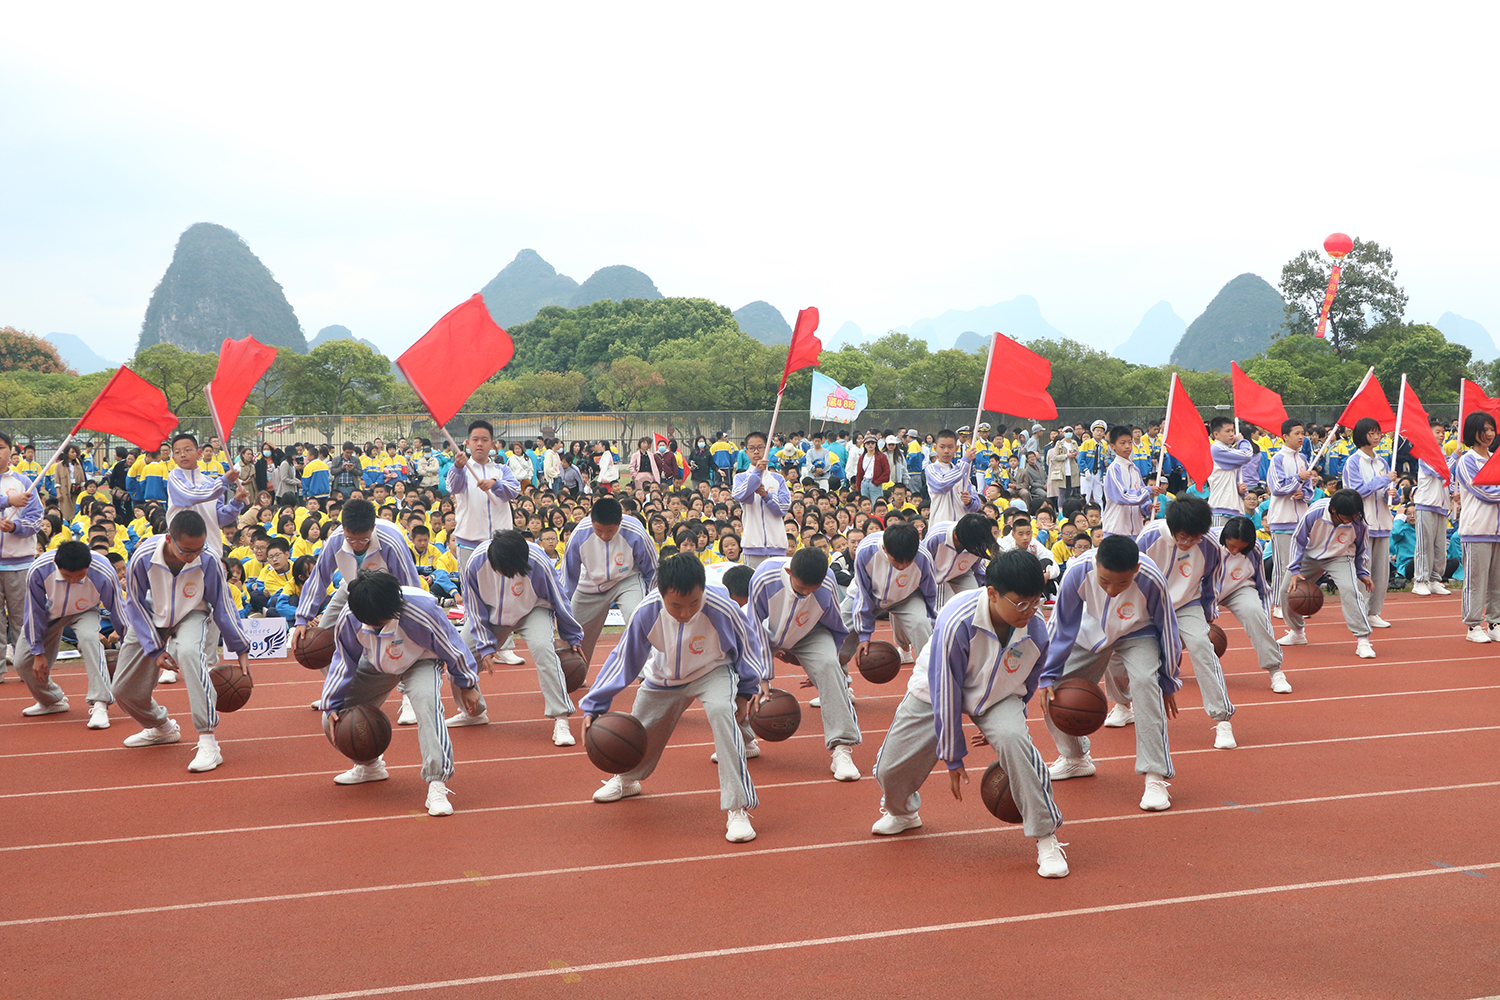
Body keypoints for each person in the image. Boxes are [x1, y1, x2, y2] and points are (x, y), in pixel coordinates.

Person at [869, 550, 1069, 878]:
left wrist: (1004, 720)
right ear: (992, 593)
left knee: (1014, 740)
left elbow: (1028, 682)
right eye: (1021, 603)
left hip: (996, 692)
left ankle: (1046, 837)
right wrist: (953, 755)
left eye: (1036, 602)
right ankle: (901, 812)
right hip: (936, 687)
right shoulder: (958, 619)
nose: (1030, 611)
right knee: (890, 768)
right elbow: (946, 687)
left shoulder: (1035, 628)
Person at [579, 554, 768, 843]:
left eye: (694, 602)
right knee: (640, 726)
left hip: (712, 670)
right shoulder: (647, 610)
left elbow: (747, 645)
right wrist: (595, 703)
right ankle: (628, 779)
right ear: (662, 592)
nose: (685, 612)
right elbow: (624, 658)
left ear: (703, 589)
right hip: (664, 677)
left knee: (722, 713)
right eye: (676, 605)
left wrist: (745, 692)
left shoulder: (721, 606)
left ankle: (737, 807)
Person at [319, 571, 480, 817]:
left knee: (427, 703)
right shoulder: (350, 616)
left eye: (381, 621)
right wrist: (331, 704)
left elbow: (452, 646)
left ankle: (437, 783)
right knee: (332, 717)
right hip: (376, 663)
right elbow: (344, 660)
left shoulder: (423, 609)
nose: (376, 625)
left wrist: (468, 685)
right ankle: (369, 766)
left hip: (421, 660)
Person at [1042, 534, 1182, 812]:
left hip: (1137, 632)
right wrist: (1048, 673)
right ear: (1095, 564)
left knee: (1145, 683)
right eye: (1104, 581)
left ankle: (1155, 776)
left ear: (1136, 572)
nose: (1112, 590)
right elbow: (1061, 624)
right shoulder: (1078, 571)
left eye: (1122, 583)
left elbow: (1168, 629)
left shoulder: (1152, 578)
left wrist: (1167, 679)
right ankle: (1075, 758)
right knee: (1052, 689)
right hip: (1090, 631)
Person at [112, 511, 253, 772]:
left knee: (189, 653)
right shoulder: (142, 556)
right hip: (152, 615)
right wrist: (154, 649)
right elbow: (134, 603)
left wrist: (240, 645)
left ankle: (208, 740)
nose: (194, 556)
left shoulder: (208, 558)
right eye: (187, 550)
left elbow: (222, 603)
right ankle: (161, 727)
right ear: (169, 539)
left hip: (193, 612)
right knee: (122, 688)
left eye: (199, 549)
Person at [455, 529, 587, 745]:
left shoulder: (537, 560)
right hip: (492, 613)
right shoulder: (476, 563)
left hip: (533, 610)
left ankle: (561, 718)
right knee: (458, 657)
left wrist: (572, 636)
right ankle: (473, 713)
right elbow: (474, 609)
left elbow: (559, 598)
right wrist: (487, 647)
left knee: (543, 649)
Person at [1129, 496, 1237, 749]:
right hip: (1147, 606)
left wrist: (1209, 614)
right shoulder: (1149, 536)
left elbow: (1212, 581)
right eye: (1185, 537)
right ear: (1171, 526)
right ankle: (1123, 704)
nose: (1191, 543)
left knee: (1202, 646)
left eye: (1196, 537)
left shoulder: (1208, 544)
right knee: (1123, 654)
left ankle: (1222, 720)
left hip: (1186, 603)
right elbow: (1130, 577)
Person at [748, 548, 860, 781]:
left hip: (810, 633)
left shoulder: (827, 582)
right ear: (789, 572)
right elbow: (753, 627)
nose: (806, 593)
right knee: (740, 673)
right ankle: (741, 738)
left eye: (813, 589)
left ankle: (842, 750)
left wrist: (825, 665)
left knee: (829, 667)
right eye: (801, 588)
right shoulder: (764, 577)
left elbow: (835, 625)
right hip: (767, 633)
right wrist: (763, 676)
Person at [17, 540, 120, 728]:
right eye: (67, 576)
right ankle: (52, 700)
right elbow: (33, 612)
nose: (73, 581)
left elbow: (117, 607)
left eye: (80, 576)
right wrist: (38, 652)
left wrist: (124, 635)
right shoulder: (39, 569)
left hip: (85, 610)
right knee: (22, 662)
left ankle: (100, 704)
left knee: (90, 639)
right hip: (50, 614)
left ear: (88, 566)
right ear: (57, 566)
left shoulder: (103, 569)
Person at [1278, 488, 1375, 658]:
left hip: (1340, 556)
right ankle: (1297, 633)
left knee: (1350, 590)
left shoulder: (1358, 522)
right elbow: (1297, 539)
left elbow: (1362, 548)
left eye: (1354, 515)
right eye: (1346, 516)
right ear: (1334, 510)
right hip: (1310, 555)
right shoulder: (1315, 512)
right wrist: (1294, 570)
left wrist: (1361, 571)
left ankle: (1363, 640)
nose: (1351, 520)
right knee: (1286, 590)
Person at [562, 496, 658, 663]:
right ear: (591, 521)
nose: (604, 536)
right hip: (589, 585)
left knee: (638, 618)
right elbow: (568, 575)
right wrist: (563, 610)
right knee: (574, 635)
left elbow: (652, 569)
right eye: (599, 530)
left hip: (626, 580)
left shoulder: (635, 531)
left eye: (610, 531)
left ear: (620, 522)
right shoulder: (579, 534)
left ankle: (650, 675)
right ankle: (576, 675)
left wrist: (651, 602)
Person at [844, 522, 938, 668]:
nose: (902, 567)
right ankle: (842, 684)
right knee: (838, 636)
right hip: (869, 595)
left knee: (921, 624)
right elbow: (863, 594)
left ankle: (930, 675)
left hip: (906, 597)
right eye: (897, 561)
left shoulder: (923, 556)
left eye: (908, 562)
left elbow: (930, 592)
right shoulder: (865, 550)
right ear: (884, 549)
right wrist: (864, 635)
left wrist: (933, 621)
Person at [1214, 516, 1290, 693]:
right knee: (1185, 627)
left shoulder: (1254, 549)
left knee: (1255, 613)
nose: (1235, 551)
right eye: (1231, 545)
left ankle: (1275, 671)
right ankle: (1164, 665)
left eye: (1241, 548)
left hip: (1238, 588)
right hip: (1205, 592)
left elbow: (1262, 585)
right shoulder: (1207, 543)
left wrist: (1264, 617)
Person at [447, 420, 522, 571]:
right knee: (471, 588)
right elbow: (454, 488)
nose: (479, 444)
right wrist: (458, 468)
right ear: (467, 443)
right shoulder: (460, 469)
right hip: (469, 542)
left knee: (502, 586)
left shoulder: (502, 470)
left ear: (492, 444)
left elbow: (514, 490)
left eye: (484, 440)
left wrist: (495, 484)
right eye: (475, 440)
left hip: (500, 543)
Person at [1451, 411, 1500, 642]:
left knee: (1496, 581)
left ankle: (1495, 622)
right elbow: (1484, 492)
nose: (1489, 434)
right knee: (1475, 580)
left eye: (1492, 429)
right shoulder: (1467, 460)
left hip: (1497, 530)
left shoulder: (1495, 458)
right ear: (1473, 432)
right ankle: (1472, 625)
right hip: (1477, 529)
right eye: (1485, 429)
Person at [1342, 416, 1395, 628]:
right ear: (1361, 435)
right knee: (1363, 570)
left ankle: (1374, 611)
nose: (1376, 437)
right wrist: (1383, 481)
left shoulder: (1382, 462)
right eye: (1371, 433)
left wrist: (1392, 493)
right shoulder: (1353, 461)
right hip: (1363, 524)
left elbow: (1384, 493)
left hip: (1382, 522)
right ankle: (1359, 611)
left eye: (1378, 433)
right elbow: (1357, 491)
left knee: (1381, 572)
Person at [0, 432, 44, 678]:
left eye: (1, 447)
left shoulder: (24, 482)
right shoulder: (13, 493)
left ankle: (25, 668)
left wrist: (16, 528)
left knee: (22, 620)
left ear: (10, 452)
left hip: (19, 564)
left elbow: (36, 519)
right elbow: (10, 501)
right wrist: (8, 501)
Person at [1267, 418, 1315, 615]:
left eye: (1303, 433)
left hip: (1300, 519)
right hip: (1281, 519)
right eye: (1297, 433)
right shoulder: (1277, 459)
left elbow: (1310, 489)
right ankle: (1279, 603)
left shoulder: (1303, 459)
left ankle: (1297, 602)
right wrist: (1297, 479)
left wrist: (1303, 493)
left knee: (1299, 564)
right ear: (1285, 436)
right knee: (1283, 565)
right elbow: (1277, 488)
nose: (1301, 437)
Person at [732, 431, 791, 570]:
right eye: (752, 448)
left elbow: (783, 507)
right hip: (752, 547)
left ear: (767, 449)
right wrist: (757, 473)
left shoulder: (778, 479)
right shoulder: (740, 478)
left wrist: (766, 495)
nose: (756, 452)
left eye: (760, 447)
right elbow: (740, 495)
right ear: (746, 452)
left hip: (777, 547)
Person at [1412, 417, 1455, 597]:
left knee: (1439, 545)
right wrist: (1454, 458)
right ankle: (1420, 580)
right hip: (1426, 504)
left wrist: (1454, 491)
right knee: (1425, 544)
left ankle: (1435, 579)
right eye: (1437, 432)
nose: (1441, 435)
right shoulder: (1425, 452)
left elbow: (1448, 478)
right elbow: (1439, 471)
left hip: (1441, 505)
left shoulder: (1444, 454)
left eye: (1442, 432)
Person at [921, 513, 996, 608]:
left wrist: (986, 585)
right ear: (957, 536)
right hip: (933, 573)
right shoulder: (937, 535)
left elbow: (979, 568)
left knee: (976, 601)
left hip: (962, 572)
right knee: (938, 607)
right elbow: (923, 562)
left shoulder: (978, 539)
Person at [1102, 424, 1156, 537]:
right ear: (1113, 446)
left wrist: (1148, 507)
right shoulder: (1114, 468)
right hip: (1116, 530)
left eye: (1130, 442)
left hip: (1135, 530)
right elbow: (1122, 496)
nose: (1127, 446)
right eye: (1122, 443)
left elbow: (1140, 494)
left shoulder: (1135, 470)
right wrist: (1148, 490)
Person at [1207, 417, 1254, 527]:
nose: (1232, 434)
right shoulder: (1217, 449)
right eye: (1228, 431)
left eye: (1233, 430)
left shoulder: (1229, 449)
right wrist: (1242, 440)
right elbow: (1247, 455)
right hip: (1221, 508)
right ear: (1216, 434)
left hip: (1233, 508)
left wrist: (1239, 490)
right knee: (1220, 543)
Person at [926, 429, 979, 525]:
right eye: (942, 447)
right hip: (940, 527)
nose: (946, 451)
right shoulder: (931, 469)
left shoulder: (962, 473)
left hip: (960, 528)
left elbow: (977, 504)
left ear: (956, 448)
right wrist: (965, 461)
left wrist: (969, 501)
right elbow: (942, 484)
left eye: (950, 447)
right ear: (935, 448)